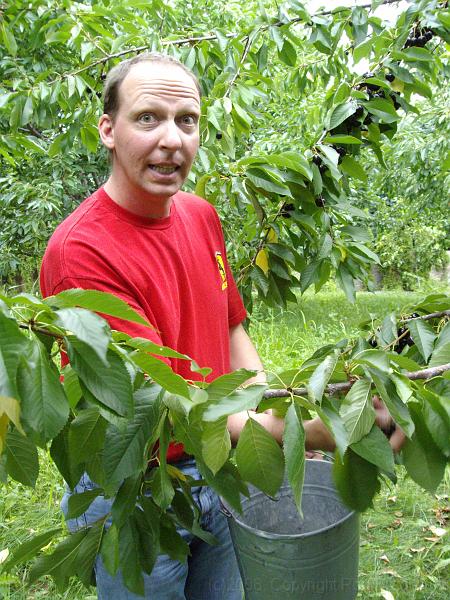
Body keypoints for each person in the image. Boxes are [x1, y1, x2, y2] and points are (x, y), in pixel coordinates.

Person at [40, 52, 402, 599]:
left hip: (221, 468)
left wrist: (280, 411)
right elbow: (162, 407)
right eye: (147, 118)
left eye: (187, 120)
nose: (172, 139)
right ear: (108, 130)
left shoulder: (200, 215)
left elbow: (232, 334)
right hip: (137, 485)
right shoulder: (81, 252)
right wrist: (295, 435)